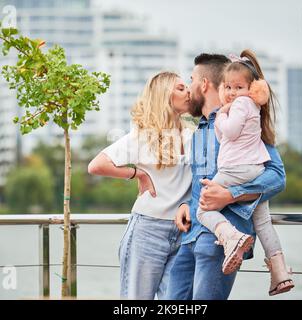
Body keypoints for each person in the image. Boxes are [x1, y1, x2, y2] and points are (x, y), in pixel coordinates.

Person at [166, 53, 287, 300]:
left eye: (191, 80)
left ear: (204, 84)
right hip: (190, 239)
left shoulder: (241, 123)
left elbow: (277, 177)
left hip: (220, 243)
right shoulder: (199, 131)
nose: (188, 89)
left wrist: (231, 195)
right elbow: (203, 186)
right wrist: (185, 204)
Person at [88, 71, 194, 299]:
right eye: (181, 88)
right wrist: (137, 174)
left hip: (183, 232)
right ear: (164, 96)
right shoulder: (144, 135)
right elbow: (97, 165)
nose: (189, 92)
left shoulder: (193, 134)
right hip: (148, 231)